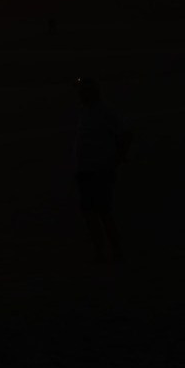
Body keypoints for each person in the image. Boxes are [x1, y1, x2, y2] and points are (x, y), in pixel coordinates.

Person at [74, 77, 129, 263]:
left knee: (103, 211)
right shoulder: (85, 112)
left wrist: (117, 160)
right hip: (85, 170)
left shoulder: (105, 113)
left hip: (100, 170)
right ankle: (100, 250)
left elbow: (125, 135)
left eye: (84, 91)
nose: (80, 95)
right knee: (89, 212)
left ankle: (114, 249)